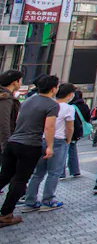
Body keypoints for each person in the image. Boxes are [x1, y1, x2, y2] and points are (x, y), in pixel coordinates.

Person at [0, 75, 59, 227]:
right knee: (20, 180)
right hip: (30, 145)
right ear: (54, 89)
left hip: (13, 142)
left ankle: (6, 211)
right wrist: (50, 146)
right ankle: (6, 214)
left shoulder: (28, 100)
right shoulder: (52, 104)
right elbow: (49, 127)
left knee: (5, 176)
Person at [22, 83, 75, 212]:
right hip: (58, 140)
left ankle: (30, 201)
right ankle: (48, 200)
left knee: (38, 173)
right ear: (69, 95)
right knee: (54, 172)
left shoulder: (48, 104)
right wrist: (68, 138)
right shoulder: (68, 108)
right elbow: (69, 127)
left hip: (42, 139)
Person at [64, 89, 92, 180]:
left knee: (64, 152)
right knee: (73, 150)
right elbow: (88, 117)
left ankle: (61, 172)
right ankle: (75, 170)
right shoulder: (84, 105)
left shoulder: (70, 106)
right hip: (78, 131)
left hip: (70, 130)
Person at [0, 70, 23, 152]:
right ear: (14, 82)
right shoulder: (5, 98)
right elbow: (4, 122)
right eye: (20, 81)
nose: (21, 84)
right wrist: (6, 145)